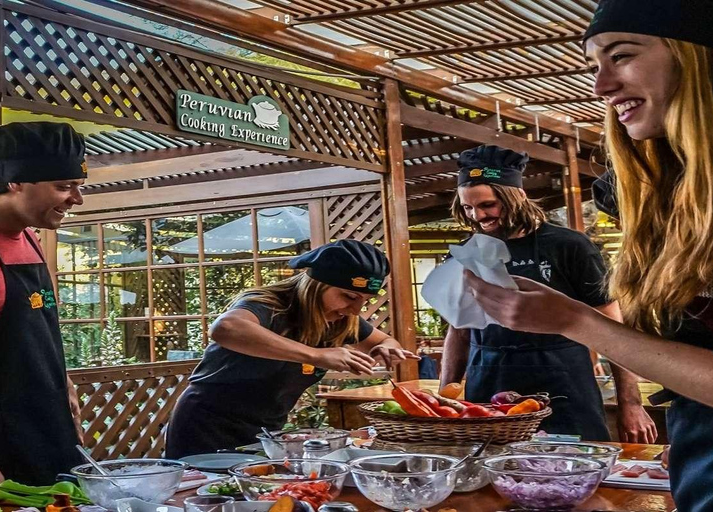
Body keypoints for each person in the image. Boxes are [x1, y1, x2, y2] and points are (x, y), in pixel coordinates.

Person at [463, 1, 713, 509]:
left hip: (567, 390)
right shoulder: (676, 202)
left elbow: (607, 318)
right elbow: (460, 326)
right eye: (594, 65)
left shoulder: (569, 245)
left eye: (621, 56)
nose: (601, 86)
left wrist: (574, 326)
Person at [441, 144, 656, 442]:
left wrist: (630, 404)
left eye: (487, 205)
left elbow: (614, 327)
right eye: (467, 208)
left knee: (576, 467)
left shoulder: (570, 246)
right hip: (488, 380)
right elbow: (459, 331)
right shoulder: (463, 255)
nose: (478, 216)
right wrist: (442, 399)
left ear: (515, 196)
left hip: (563, 378)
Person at [166, 240, 419, 457]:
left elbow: (386, 340)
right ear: (317, 285)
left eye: (364, 301)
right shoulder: (268, 305)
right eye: (349, 297)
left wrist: (386, 348)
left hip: (268, 431)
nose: (355, 310)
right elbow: (226, 328)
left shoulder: (340, 320)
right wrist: (316, 355)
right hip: (206, 424)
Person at [0, 122, 87, 503]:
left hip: (46, 430)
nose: (77, 198)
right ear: (16, 182)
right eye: (63, 186)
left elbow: (42, 328)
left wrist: (65, 386)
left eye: (78, 185)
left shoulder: (30, 235)